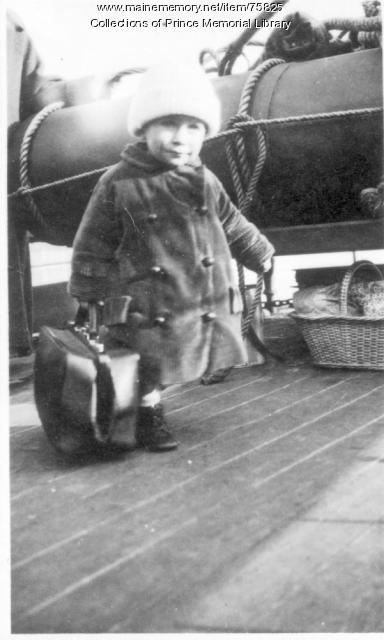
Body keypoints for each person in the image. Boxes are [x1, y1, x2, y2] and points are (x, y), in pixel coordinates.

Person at [69, 60, 274, 452]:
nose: (181, 138)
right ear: (144, 127)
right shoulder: (118, 182)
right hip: (147, 294)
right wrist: (88, 293)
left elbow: (231, 222)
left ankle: (159, 397)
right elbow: (92, 241)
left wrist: (259, 252)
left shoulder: (204, 179)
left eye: (193, 126)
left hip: (197, 292)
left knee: (186, 348)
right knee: (149, 361)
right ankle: (150, 416)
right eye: (167, 124)